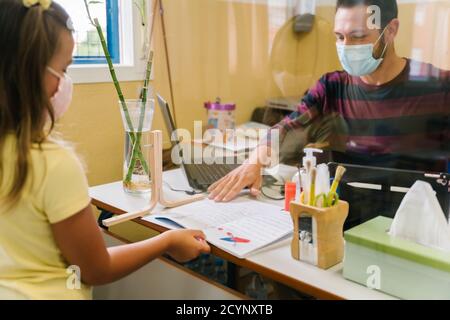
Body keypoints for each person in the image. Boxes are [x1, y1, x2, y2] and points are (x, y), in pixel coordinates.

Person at [0, 0, 210, 300]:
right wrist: (166, 241)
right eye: (63, 69)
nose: (66, 82)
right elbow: (95, 269)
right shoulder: (53, 164)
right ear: (29, 72)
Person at [208, 0, 449, 202]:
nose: (346, 47)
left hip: (415, 224)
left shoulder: (437, 88)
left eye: (358, 36)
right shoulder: (332, 87)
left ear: (391, 30)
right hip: (347, 218)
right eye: (340, 37)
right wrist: (254, 163)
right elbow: (288, 127)